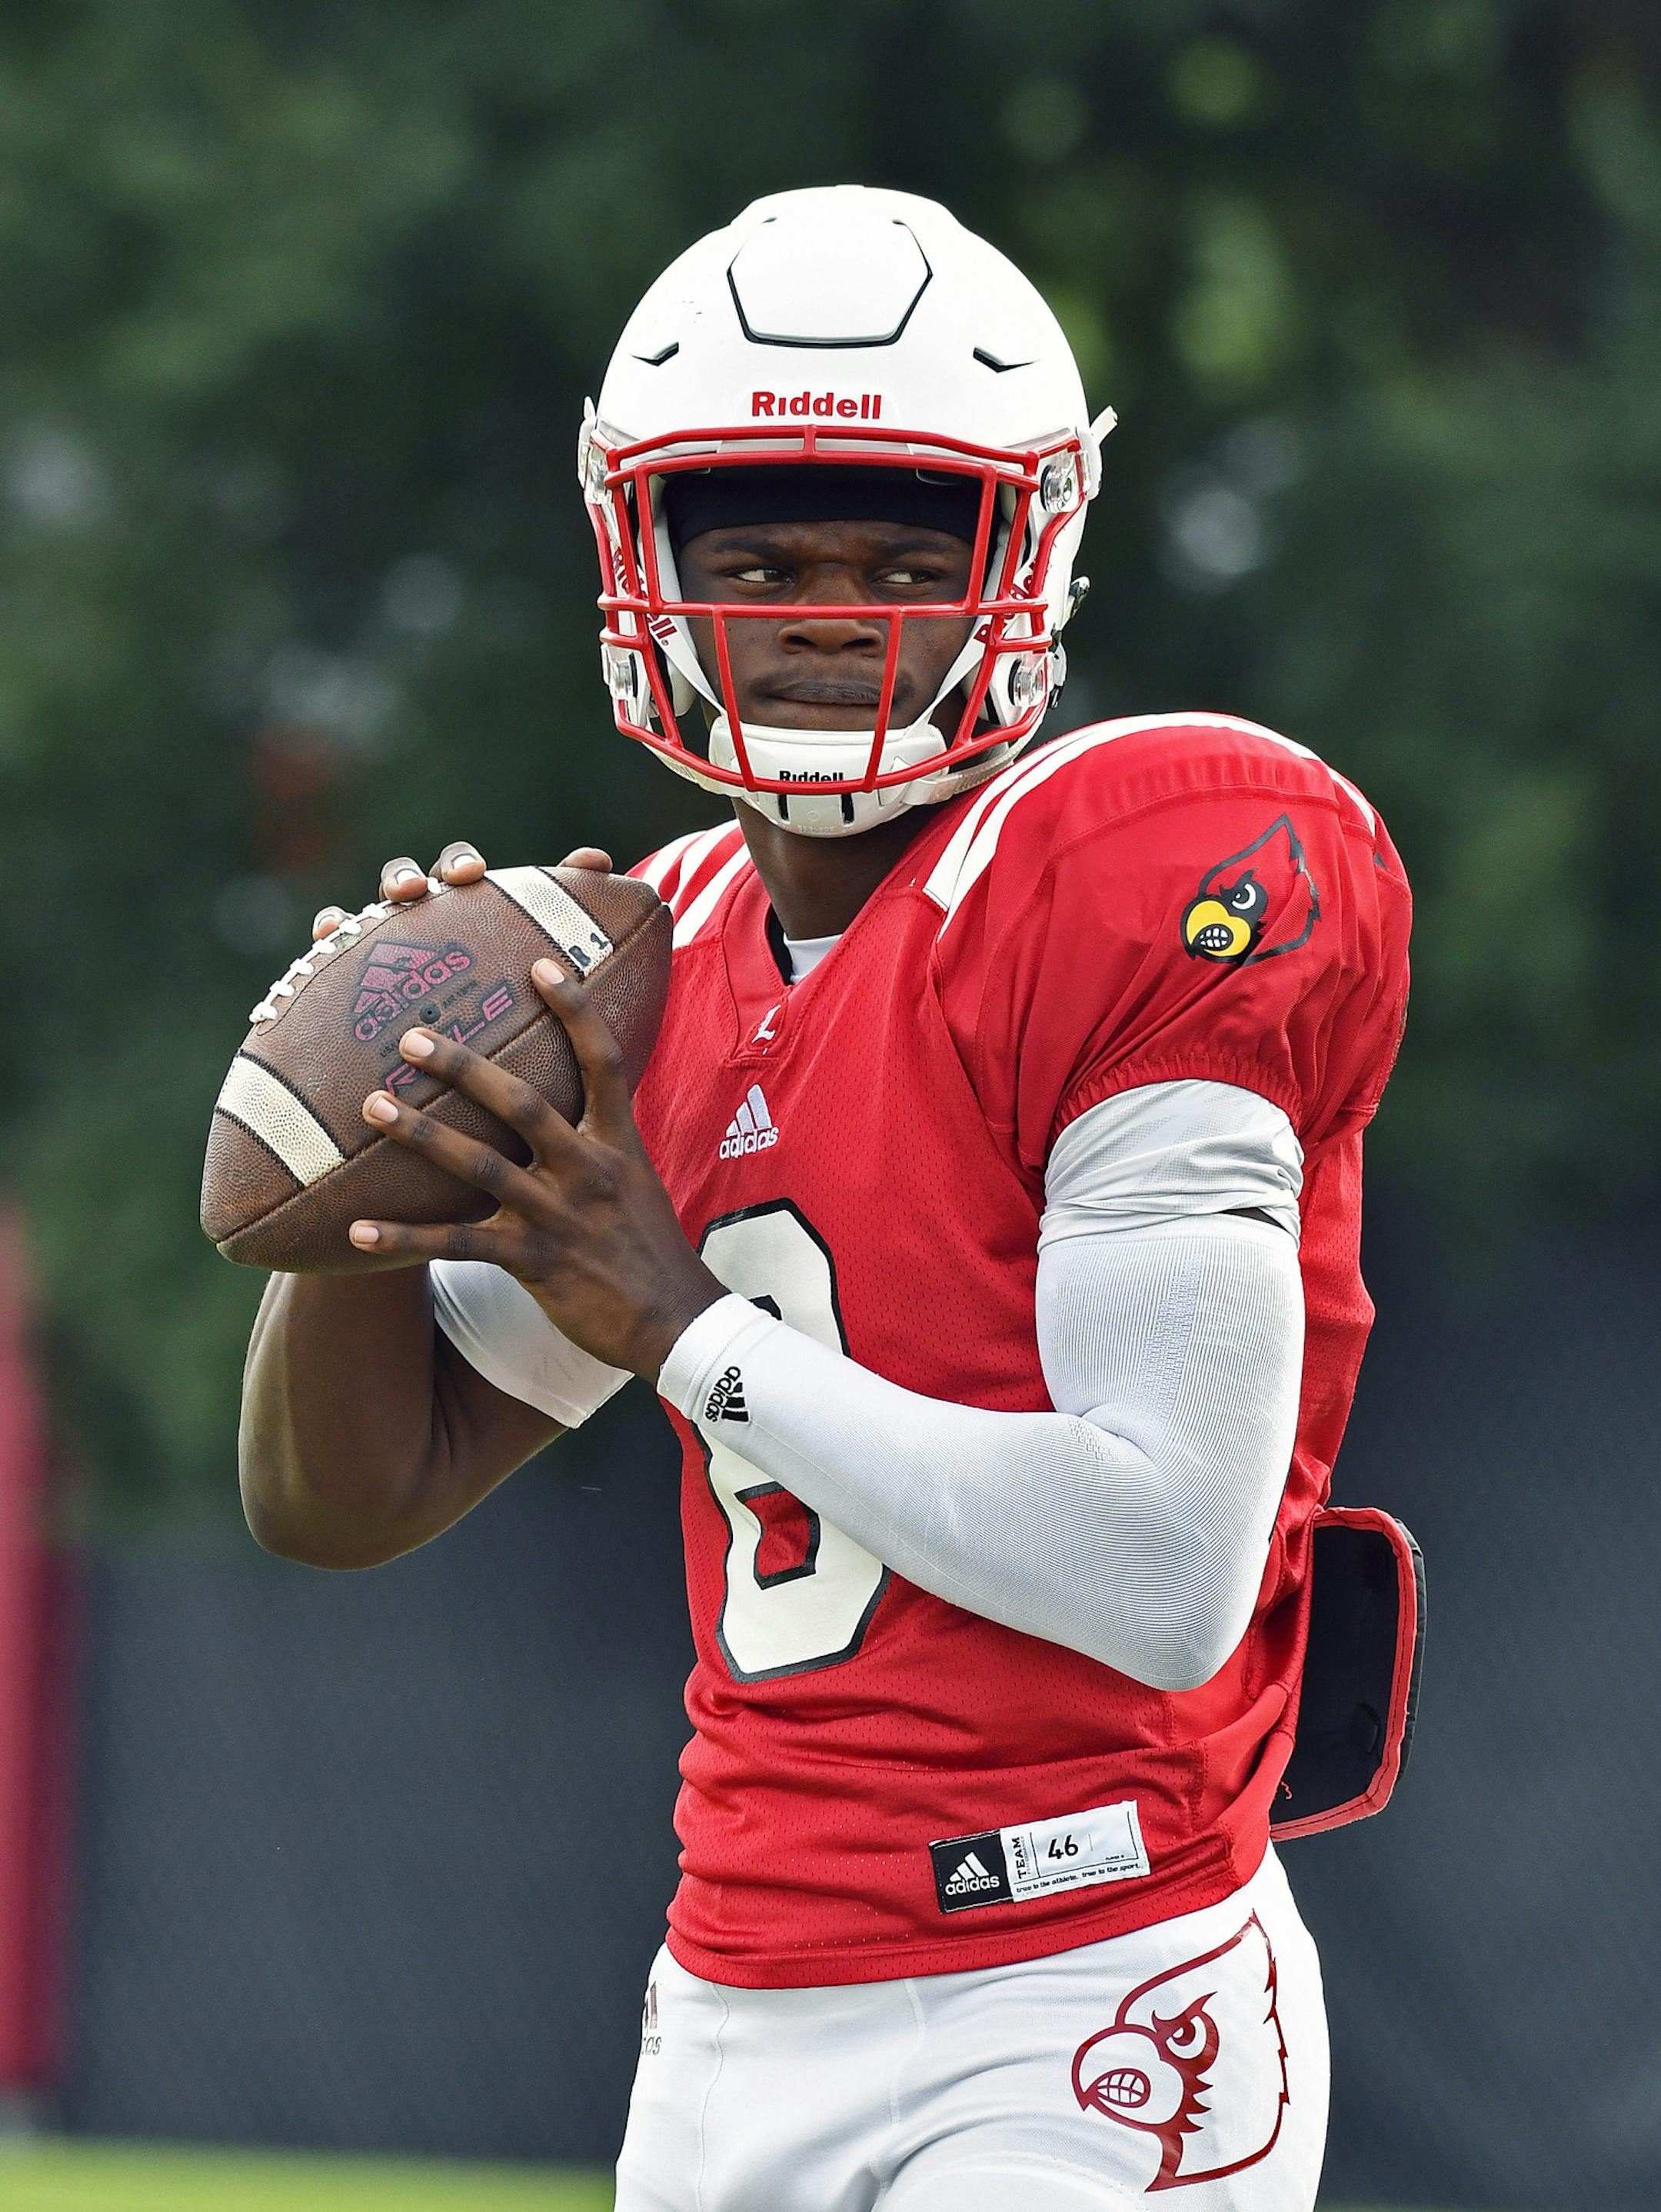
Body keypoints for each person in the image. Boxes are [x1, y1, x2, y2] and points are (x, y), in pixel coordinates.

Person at [239, 188, 1411, 2208]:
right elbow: (348, 1494)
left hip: (1089, 1980)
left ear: (1023, 557)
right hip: (736, 1993)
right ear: (642, 551)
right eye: (762, 550)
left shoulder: (1150, 877)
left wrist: (682, 1328)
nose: (824, 606)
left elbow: (1160, 1571)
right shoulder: (640, 962)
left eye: (897, 551)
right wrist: (387, 1172)